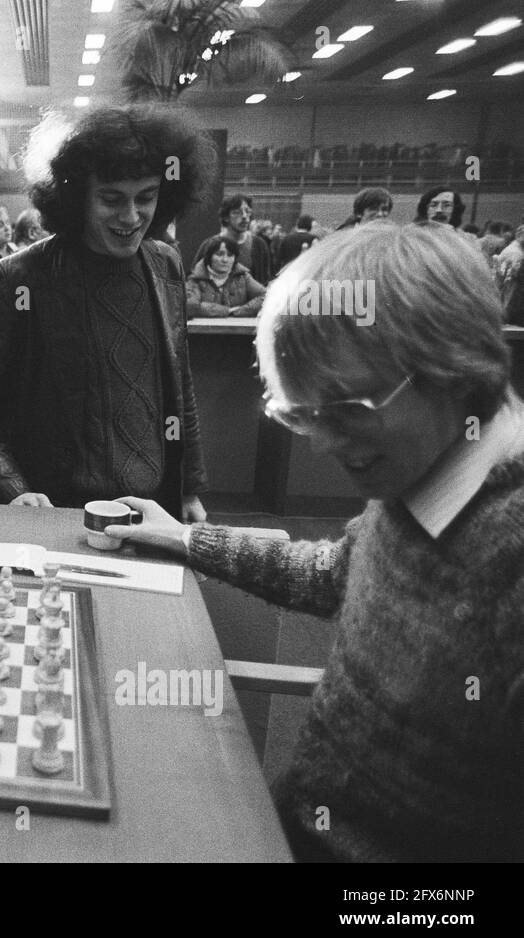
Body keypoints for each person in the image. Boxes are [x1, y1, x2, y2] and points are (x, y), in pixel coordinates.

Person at [107, 222, 524, 862]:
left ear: (453, 369)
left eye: (348, 409)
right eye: (302, 414)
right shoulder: (424, 473)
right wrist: (187, 538)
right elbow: (335, 572)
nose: (325, 445)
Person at [0, 103, 213, 521]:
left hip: (154, 510)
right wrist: (12, 491)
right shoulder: (18, 278)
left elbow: (180, 382)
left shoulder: (167, 265)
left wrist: (189, 488)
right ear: (76, 198)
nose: (131, 217)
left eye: (146, 198)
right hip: (56, 510)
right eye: (111, 199)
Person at [186, 235, 266, 317]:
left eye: (230, 255)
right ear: (209, 257)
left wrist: (241, 311)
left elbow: (266, 296)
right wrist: (226, 311)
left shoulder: (243, 277)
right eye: (219, 254)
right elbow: (190, 306)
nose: (225, 260)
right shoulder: (196, 280)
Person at [214, 192, 273, 284]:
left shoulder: (259, 245)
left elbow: (265, 280)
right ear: (226, 217)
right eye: (237, 212)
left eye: (247, 211)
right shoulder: (211, 244)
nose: (244, 216)